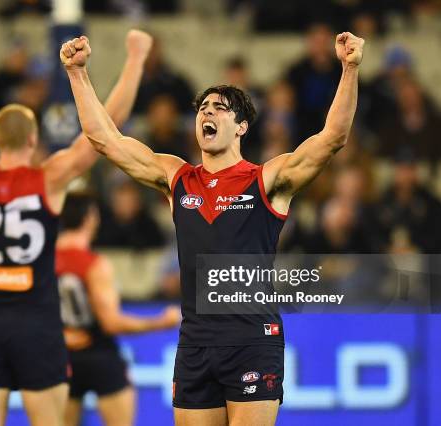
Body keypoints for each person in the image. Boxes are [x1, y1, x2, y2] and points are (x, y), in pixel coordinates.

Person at [60, 31, 364, 426]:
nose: (207, 112)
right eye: (203, 107)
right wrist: (77, 73)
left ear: (241, 127)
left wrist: (350, 68)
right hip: (196, 343)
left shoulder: (267, 179)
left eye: (220, 108)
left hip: (253, 340)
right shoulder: (177, 177)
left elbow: (332, 139)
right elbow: (105, 140)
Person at [0, 28, 152, 426]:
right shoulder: (48, 179)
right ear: (33, 139)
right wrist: (134, 59)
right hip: (39, 329)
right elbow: (106, 129)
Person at [55, 192, 180, 426]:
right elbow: (111, 323)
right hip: (99, 355)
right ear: (90, 218)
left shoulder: (46, 261)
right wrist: (160, 322)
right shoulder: (94, 264)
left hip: (61, 357)